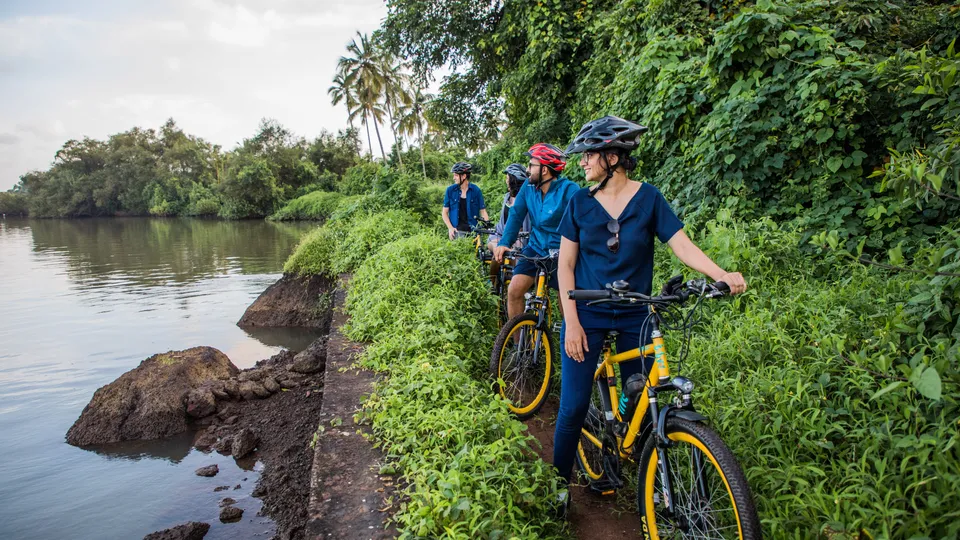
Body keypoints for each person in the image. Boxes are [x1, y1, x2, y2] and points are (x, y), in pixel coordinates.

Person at [553, 115, 748, 514]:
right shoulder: (579, 202)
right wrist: (571, 321)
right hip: (585, 314)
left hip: (636, 315)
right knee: (572, 406)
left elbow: (682, 245)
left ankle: (652, 481)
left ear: (612, 157)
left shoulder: (650, 198)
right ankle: (557, 486)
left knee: (642, 400)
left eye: (589, 155)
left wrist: (721, 273)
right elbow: (566, 265)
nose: (583, 163)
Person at [492, 144, 580, 318]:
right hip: (535, 247)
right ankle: (518, 344)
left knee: (566, 300)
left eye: (531, 165)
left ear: (545, 170)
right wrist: (504, 243)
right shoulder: (528, 187)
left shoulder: (569, 190)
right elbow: (516, 215)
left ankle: (568, 337)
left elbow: (580, 225)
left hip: (562, 252)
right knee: (514, 291)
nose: (527, 169)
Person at [486, 164, 532, 281]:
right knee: (498, 253)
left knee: (516, 259)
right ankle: (493, 284)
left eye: (508, 178)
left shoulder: (528, 198)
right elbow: (503, 222)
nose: (506, 181)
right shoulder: (507, 198)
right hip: (501, 235)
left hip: (521, 239)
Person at [442, 162, 489, 240]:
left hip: (473, 231)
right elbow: (444, 212)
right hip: (456, 231)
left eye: (456, 175)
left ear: (464, 176)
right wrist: (450, 228)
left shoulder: (476, 190)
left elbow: (483, 211)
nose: (454, 178)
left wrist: (487, 227)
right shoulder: (450, 190)